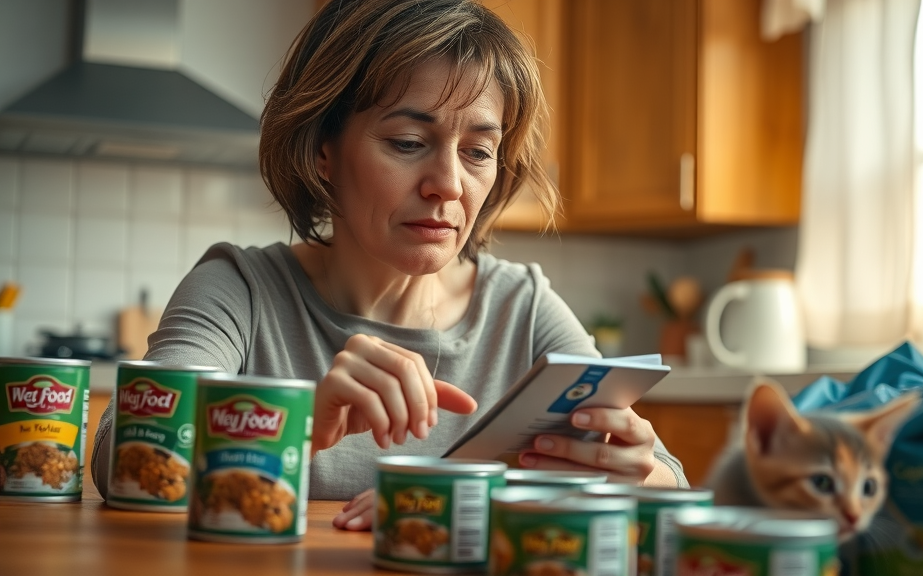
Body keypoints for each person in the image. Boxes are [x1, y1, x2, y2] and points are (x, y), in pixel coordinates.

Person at [91, 0, 687, 530]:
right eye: (407, 142)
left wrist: (634, 475)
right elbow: (120, 454)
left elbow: (666, 478)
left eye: (479, 151)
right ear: (323, 149)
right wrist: (296, 429)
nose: (448, 185)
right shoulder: (239, 291)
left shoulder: (522, 309)